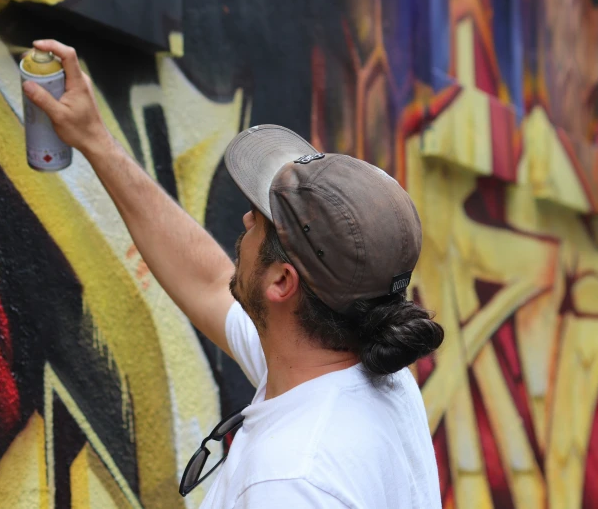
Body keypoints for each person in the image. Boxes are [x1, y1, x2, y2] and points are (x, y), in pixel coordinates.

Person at [23, 39, 444, 509]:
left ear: (282, 283)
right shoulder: (362, 371)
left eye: (259, 220)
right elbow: (204, 280)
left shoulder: (289, 482)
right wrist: (95, 140)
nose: (246, 220)